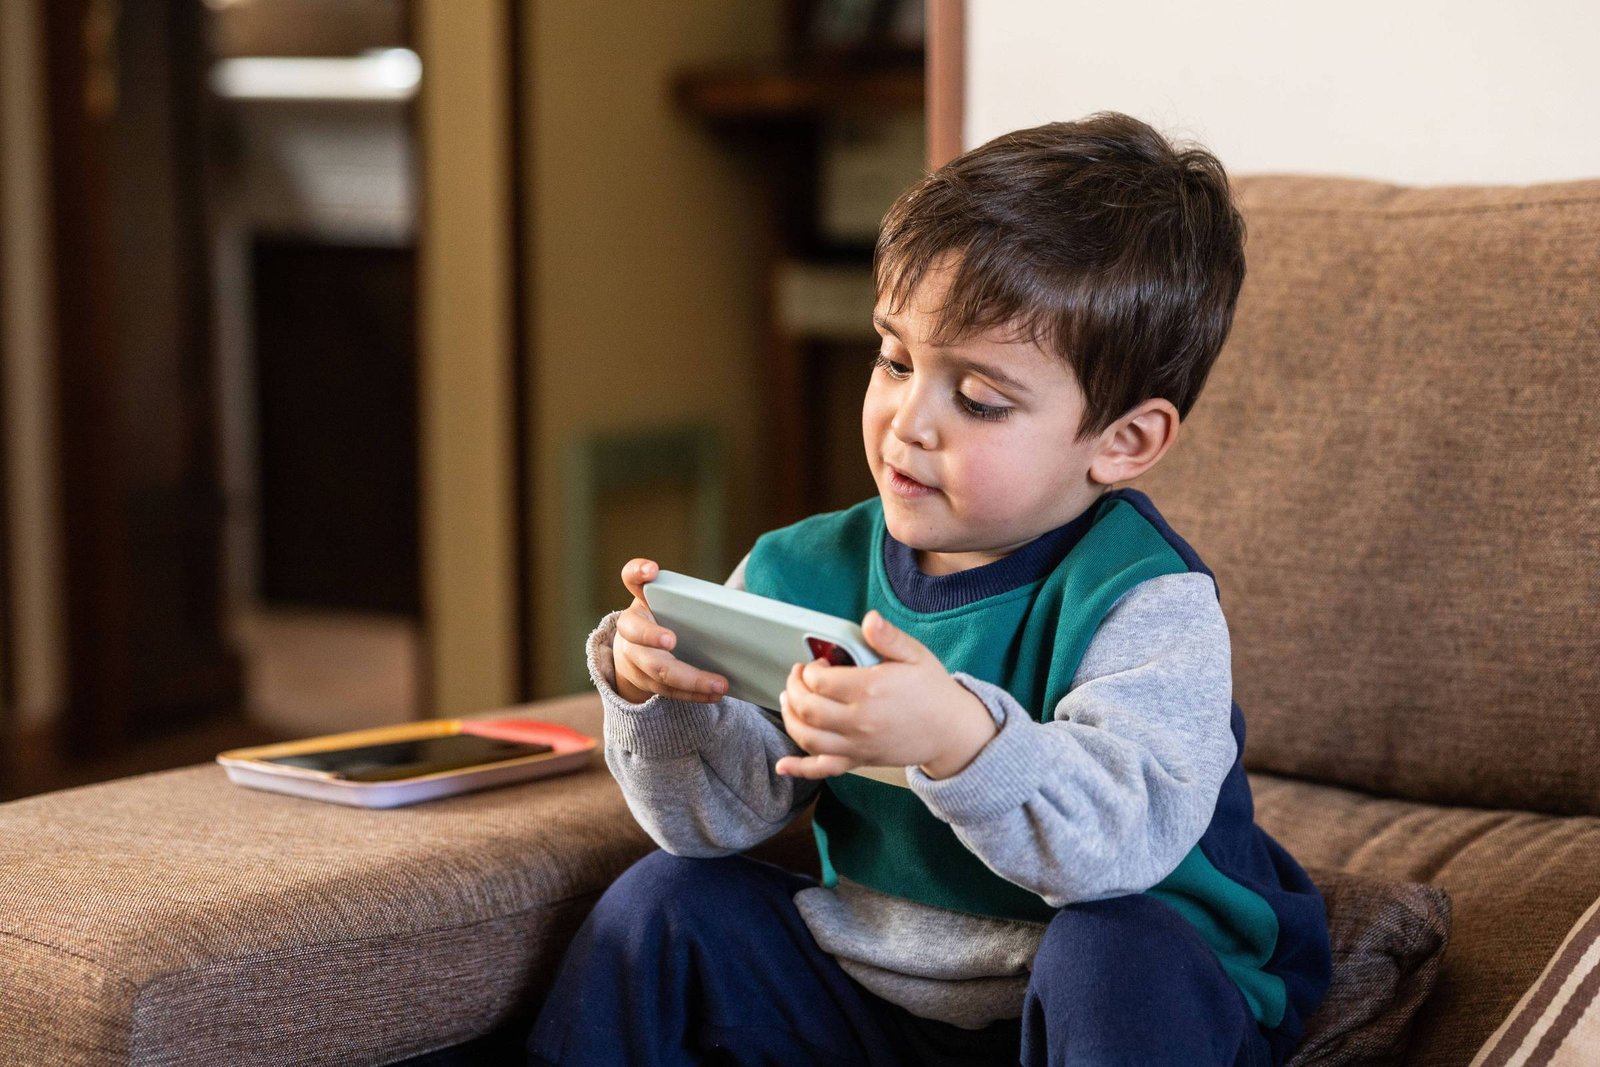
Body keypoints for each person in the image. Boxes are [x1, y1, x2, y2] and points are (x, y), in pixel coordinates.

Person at [528, 112, 1331, 1067]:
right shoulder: (801, 568)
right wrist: (660, 698)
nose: (908, 421)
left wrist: (959, 739)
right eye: (895, 360)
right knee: (666, 900)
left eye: (980, 399)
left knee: (1115, 952)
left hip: (1109, 997)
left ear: (1124, 442)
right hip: (878, 991)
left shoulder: (1145, 601)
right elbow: (715, 824)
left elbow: (1118, 847)